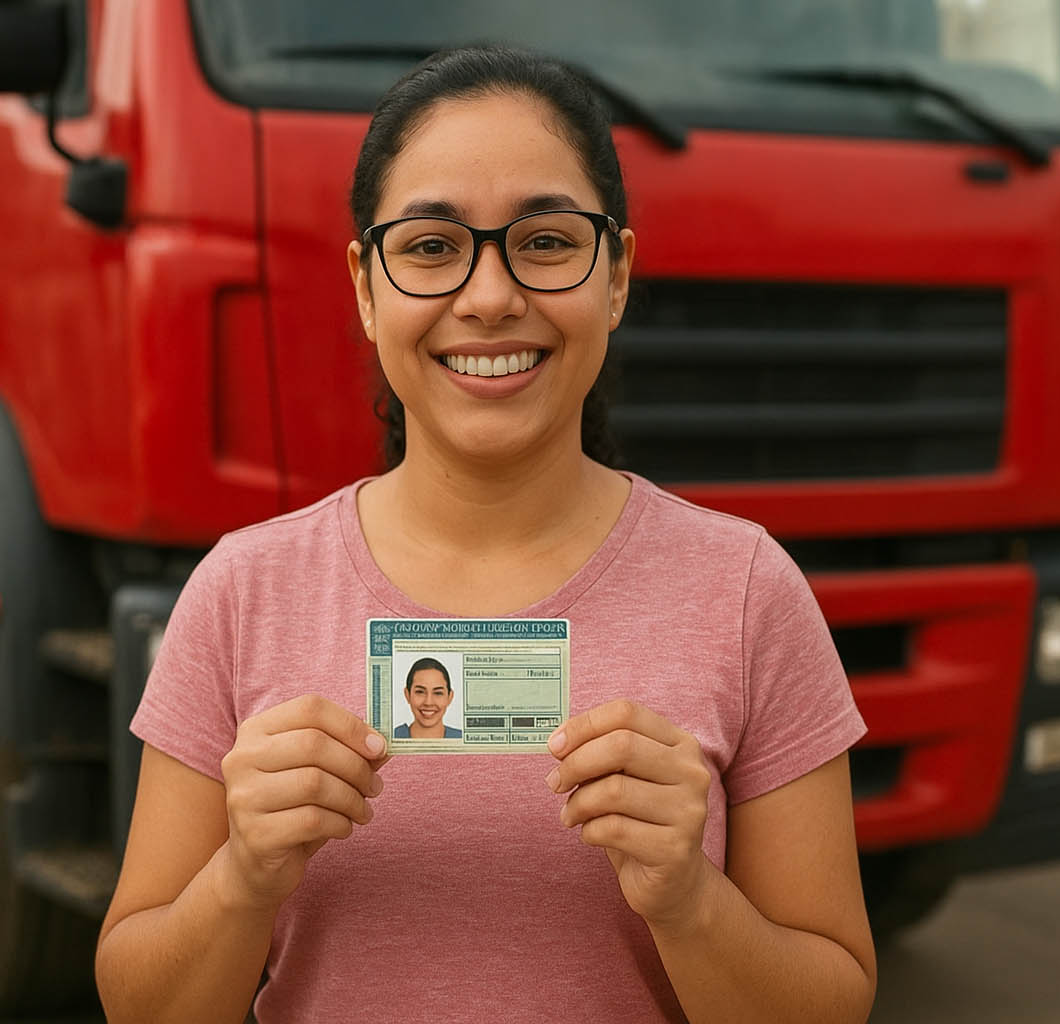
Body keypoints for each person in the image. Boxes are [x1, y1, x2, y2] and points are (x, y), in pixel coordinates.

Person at [95, 46, 875, 1023]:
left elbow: (834, 1002)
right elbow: (138, 1003)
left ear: (618, 272)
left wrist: (689, 899)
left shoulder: (747, 588)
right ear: (367, 286)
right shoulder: (245, 588)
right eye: (431, 247)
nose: (492, 295)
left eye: (546, 241)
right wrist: (242, 876)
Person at [393, 657, 462, 739]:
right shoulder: (391, 738)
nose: (428, 702)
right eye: (420, 692)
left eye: (438, 693)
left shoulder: (463, 739)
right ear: (407, 695)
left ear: (450, 697)